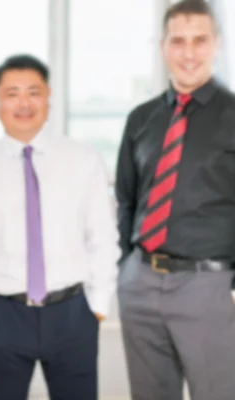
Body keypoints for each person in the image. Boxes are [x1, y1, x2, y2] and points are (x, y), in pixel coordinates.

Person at [0, 54, 119, 400]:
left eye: (34, 92)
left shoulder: (84, 160)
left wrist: (97, 304)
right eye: (12, 93)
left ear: (48, 97)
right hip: (2, 315)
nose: (24, 103)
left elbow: (103, 237)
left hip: (73, 313)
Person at [115, 1, 235, 399]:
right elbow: (126, 201)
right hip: (141, 282)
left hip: (209, 285)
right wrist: (125, 269)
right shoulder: (141, 119)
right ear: (162, 45)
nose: (188, 52)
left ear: (216, 43)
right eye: (178, 41)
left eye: (199, 40)